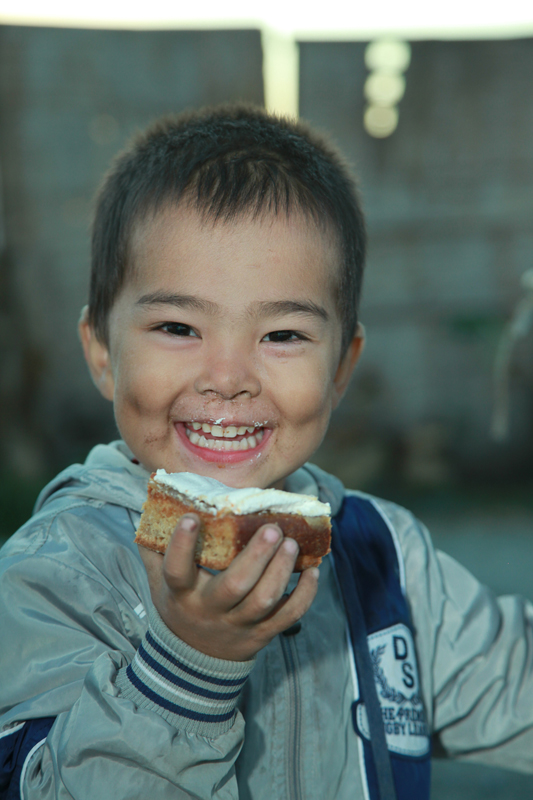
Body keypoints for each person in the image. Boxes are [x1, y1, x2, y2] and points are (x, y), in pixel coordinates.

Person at [1, 104, 532, 800]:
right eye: (177, 326)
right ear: (102, 352)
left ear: (342, 367)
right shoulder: (58, 571)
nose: (227, 377)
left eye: (282, 335)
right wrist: (186, 664)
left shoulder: (381, 559)